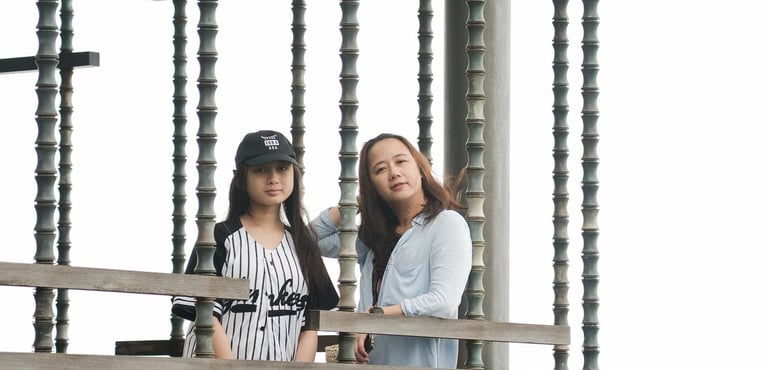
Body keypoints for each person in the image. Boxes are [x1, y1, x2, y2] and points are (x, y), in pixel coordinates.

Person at [172, 130, 339, 362]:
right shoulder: (218, 237)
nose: (273, 178)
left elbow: (310, 323)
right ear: (241, 177)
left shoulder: (303, 244)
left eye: (282, 168)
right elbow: (205, 315)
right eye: (260, 169)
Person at [311, 133, 472, 368]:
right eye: (379, 170)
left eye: (401, 161)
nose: (394, 173)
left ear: (419, 167)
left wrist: (377, 316)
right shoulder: (373, 240)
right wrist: (358, 200)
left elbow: (444, 301)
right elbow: (311, 240)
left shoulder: (446, 224)